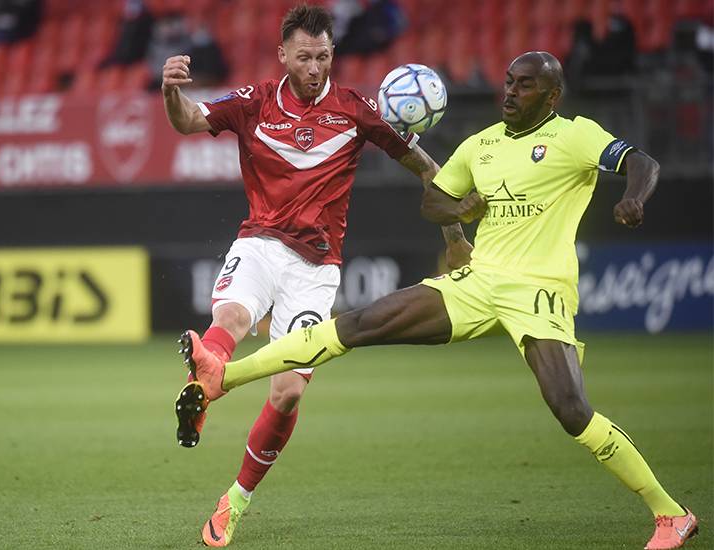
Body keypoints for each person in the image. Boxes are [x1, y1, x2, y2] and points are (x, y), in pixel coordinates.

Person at [176, 51, 699, 550]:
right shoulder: (482, 145)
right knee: (359, 324)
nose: (511, 92)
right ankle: (223, 377)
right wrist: (459, 209)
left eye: (525, 85)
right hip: (477, 283)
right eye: (509, 82)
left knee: (571, 410)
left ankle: (671, 513)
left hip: (538, 290)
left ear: (552, 95)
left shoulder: (576, 136)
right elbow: (434, 198)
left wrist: (633, 197)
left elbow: (642, 162)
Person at [163, 4, 472, 547]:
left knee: (285, 394)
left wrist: (455, 238)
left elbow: (429, 170)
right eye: (304, 57)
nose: (314, 67)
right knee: (231, 313)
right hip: (259, 243)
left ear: (334, 55)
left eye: (323, 56)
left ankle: (233, 500)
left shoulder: (357, 111)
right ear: (283, 55)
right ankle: (206, 379)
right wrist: (170, 90)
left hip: (316, 270)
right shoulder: (253, 103)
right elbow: (188, 119)